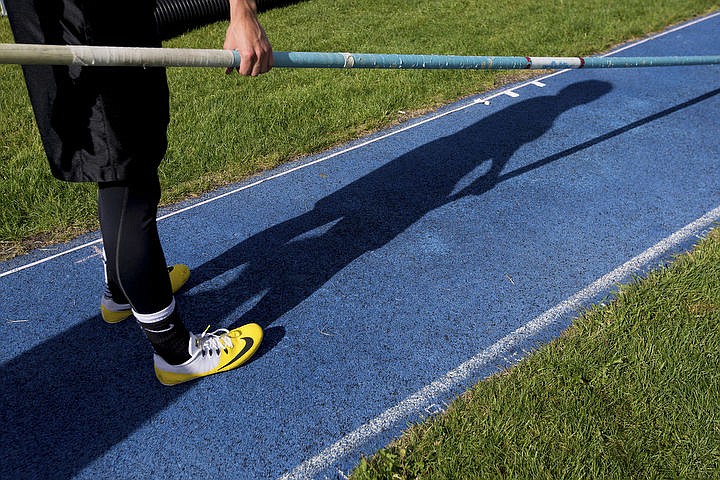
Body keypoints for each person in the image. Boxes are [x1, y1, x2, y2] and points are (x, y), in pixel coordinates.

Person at [5, 0, 273, 385]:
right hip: (82, 25)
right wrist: (242, 12)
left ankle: (120, 291)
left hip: (92, 22)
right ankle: (176, 352)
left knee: (124, 165)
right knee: (126, 174)